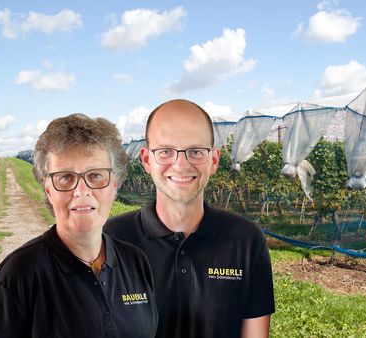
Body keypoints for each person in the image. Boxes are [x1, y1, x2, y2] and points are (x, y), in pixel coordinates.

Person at [104, 99, 275, 338]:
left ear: (213, 160)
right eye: (165, 151)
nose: (181, 164)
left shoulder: (246, 241)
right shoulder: (110, 240)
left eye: (195, 151)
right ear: (146, 160)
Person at [0, 114, 158, 338]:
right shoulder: (19, 275)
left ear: (114, 186)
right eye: (66, 177)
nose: (81, 191)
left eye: (96, 175)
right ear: (48, 190)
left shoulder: (135, 262)